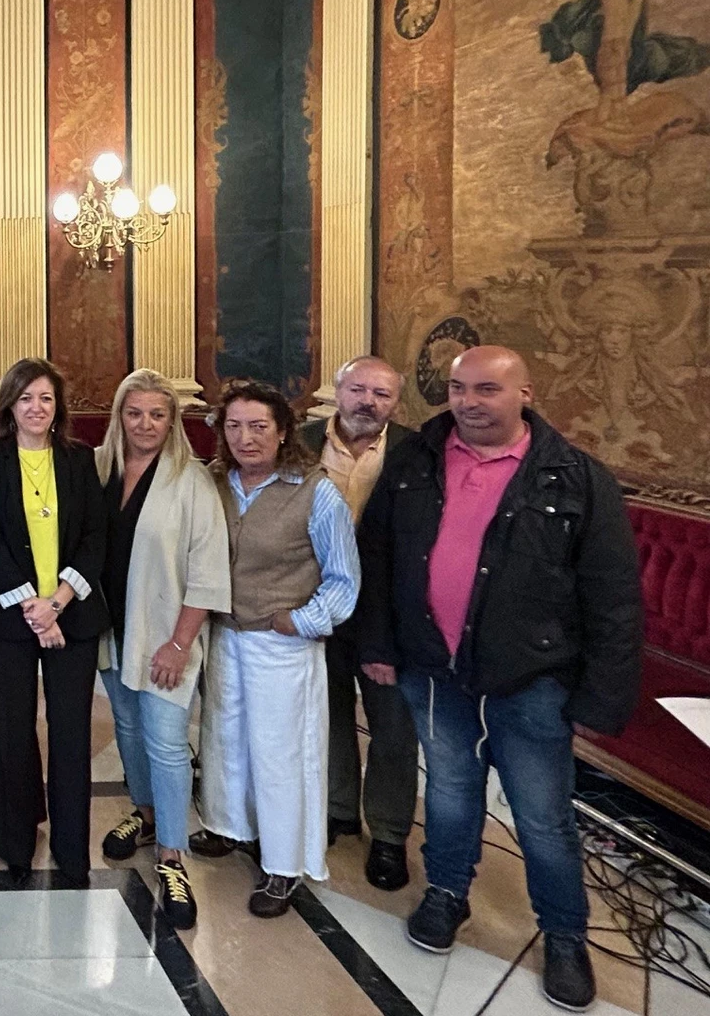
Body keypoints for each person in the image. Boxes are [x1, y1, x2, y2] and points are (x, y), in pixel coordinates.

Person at [358, 346, 642, 1011]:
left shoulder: (575, 478)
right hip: (434, 668)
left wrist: (603, 696)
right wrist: (377, 642)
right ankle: (447, 892)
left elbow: (614, 596)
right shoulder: (414, 460)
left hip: (531, 677)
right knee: (452, 792)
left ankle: (564, 933)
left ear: (525, 393)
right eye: (458, 388)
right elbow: (376, 553)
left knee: (543, 817)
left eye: (487, 388)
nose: (469, 401)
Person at [193, 380, 359, 918]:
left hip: (281, 642)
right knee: (225, 739)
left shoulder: (316, 490)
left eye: (259, 426)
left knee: (280, 753)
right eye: (234, 426)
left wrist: (303, 620)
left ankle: (284, 865)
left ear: (283, 431)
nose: (246, 438)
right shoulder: (213, 482)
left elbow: (343, 578)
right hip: (225, 634)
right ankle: (231, 827)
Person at [93, 369, 229, 930]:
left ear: (172, 422)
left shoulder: (191, 481)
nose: (145, 424)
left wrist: (180, 643)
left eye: (157, 414)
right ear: (119, 416)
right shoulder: (100, 470)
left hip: (166, 638)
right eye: (135, 413)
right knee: (127, 731)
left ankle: (172, 854)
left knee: (168, 742)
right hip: (112, 631)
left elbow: (207, 570)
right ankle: (145, 815)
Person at [0, 358, 108, 882]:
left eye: (45, 398)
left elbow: (96, 538)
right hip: (10, 620)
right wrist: (35, 609)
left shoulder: (79, 459)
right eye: (25, 398)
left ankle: (72, 849)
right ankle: (15, 843)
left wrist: (59, 603)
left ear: (58, 407)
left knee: (71, 734)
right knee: (12, 730)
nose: (35, 407)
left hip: (73, 615)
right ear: (10, 405)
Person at [300, 355, 417, 891]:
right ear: (339, 391)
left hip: (388, 613)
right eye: (359, 389)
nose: (368, 402)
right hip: (316, 601)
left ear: (395, 403)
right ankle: (338, 810)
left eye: (382, 394)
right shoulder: (298, 441)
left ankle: (390, 835)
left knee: (393, 728)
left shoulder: (417, 453)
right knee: (327, 714)